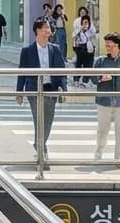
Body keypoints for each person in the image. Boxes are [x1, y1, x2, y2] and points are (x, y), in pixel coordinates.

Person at [16, 17, 68, 162]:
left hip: (51, 89)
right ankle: (42, 151)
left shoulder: (55, 49)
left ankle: (39, 145)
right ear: (38, 31)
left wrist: (63, 88)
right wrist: (19, 92)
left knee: (48, 121)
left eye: (49, 28)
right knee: (38, 120)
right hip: (34, 89)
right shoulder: (27, 51)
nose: (48, 30)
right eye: (45, 28)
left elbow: (61, 71)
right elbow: (22, 72)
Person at [93, 32, 120, 162]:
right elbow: (92, 78)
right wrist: (101, 78)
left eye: (110, 45)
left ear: (117, 46)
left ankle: (119, 156)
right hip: (103, 101)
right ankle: (99, 152)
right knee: (102, 129)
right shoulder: (100, 61)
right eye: (106, 45)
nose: (108, 48)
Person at [72, 15, 97, 85]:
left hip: (89, 48)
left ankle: (85, 81)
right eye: (83, 23)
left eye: (86, 23)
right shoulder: (78, 30)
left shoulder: (92, 30)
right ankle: (76, 79)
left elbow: (94, 38)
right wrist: (80, 31)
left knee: (88, 64)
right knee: (79, 64)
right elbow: (74, 37)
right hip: (80, 48)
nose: (85, 24)